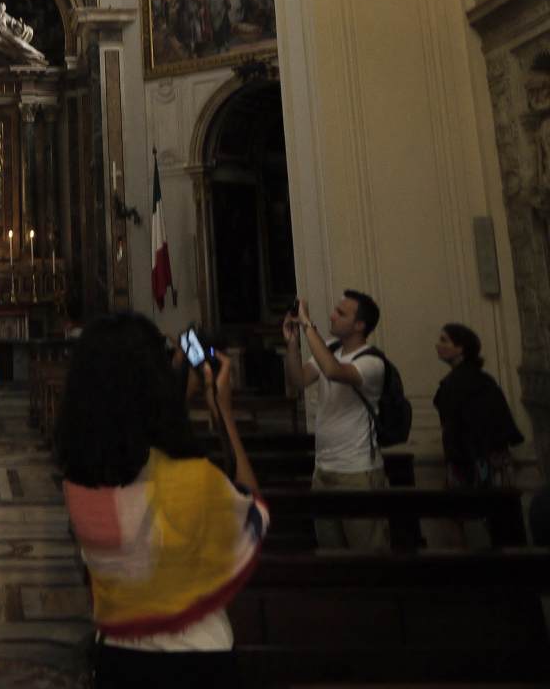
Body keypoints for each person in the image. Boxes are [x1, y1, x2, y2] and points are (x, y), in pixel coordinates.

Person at [58, 314, 267, 684]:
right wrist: (224, 415)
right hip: (198, 658)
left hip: (118, 655)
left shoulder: (80, 484)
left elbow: (137, 446)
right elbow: (252, 516)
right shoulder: (192, 481)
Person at [283, 290, 388, 549]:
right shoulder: (330, 349)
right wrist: (293, 344)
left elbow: (332, 371)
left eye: (341, 313)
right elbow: (299, 380)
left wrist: (307, 324)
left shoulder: (372, 362)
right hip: (324, 469)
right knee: (331, 552)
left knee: (367, 552)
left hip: (357, 471)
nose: (332, 315)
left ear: (360, 325)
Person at [433, 322, 523, 488]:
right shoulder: (484, 380)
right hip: (494, 458)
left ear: (460, 348)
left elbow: (454, 427)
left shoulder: (454, 384)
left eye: (444, 340)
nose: (438, 345)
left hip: (467, 462)